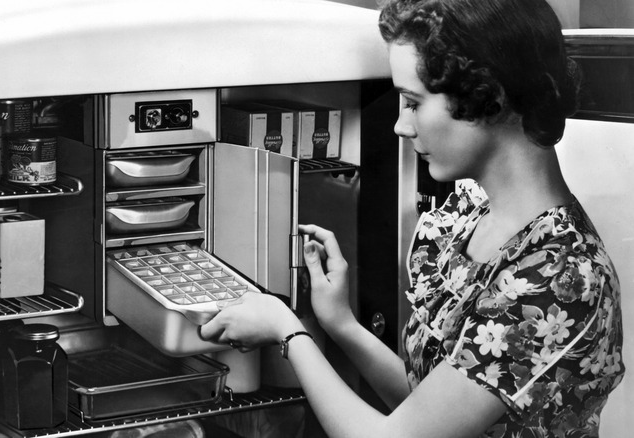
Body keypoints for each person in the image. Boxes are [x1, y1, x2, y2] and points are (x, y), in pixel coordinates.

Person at [200, 0, 625, 436]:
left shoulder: (559, 278)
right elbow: (424, 411)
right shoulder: (474, 216)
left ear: (489, 98)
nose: (401, 126)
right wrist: (340, 323)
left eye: (413, 102)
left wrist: (287, 331)